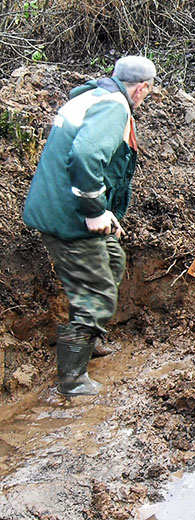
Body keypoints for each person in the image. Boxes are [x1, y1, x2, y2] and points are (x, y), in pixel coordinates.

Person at [22, 56, 157, 396]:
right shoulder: (114, 108)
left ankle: (88, 338)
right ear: (141, 88)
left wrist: (106, 213)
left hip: (59, 206)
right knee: (96, 294)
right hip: (69, 217)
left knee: (112, 259)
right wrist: (95, 210)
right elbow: (85, 157)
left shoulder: (91, 95)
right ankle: (71, 380)